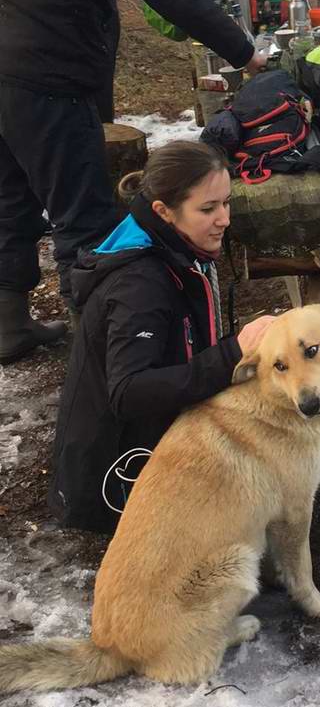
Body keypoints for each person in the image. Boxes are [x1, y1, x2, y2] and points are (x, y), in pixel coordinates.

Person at [0, 0, 266, 364]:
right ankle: (106, 360)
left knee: (10, 200)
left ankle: (8, 323)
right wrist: (244, 51)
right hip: (45, 82)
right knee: (84, 216)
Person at [48, 140, 275, 535]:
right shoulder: (141, 284)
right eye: (207, 209)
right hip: (117, 482)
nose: (224, 219)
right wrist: (233, 352)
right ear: (163, 211)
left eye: (226, 203)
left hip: (156, 442)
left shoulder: (174, 247)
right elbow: (128, 391)